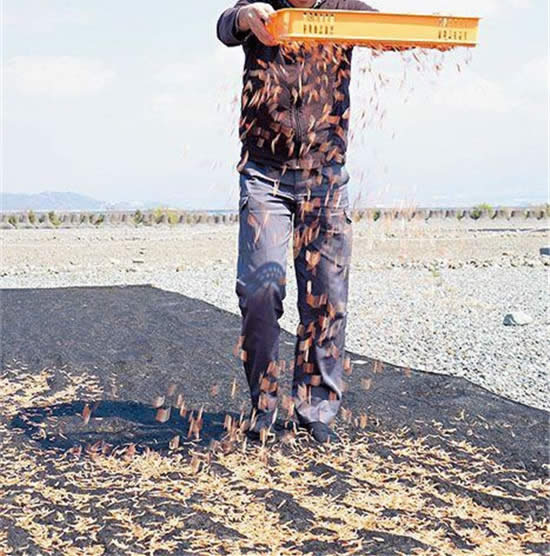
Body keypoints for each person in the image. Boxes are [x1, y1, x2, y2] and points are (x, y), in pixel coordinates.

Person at [217, 0, 377, 443]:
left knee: (325, 295)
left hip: (325, 177)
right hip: (264, 175)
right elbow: (227, 25)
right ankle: (263, 405)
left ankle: (316, 411)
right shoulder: (263, 8)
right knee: (258, 289)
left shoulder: (342, 9)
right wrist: (246, 18)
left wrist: (418, 38)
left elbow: (385, 29)